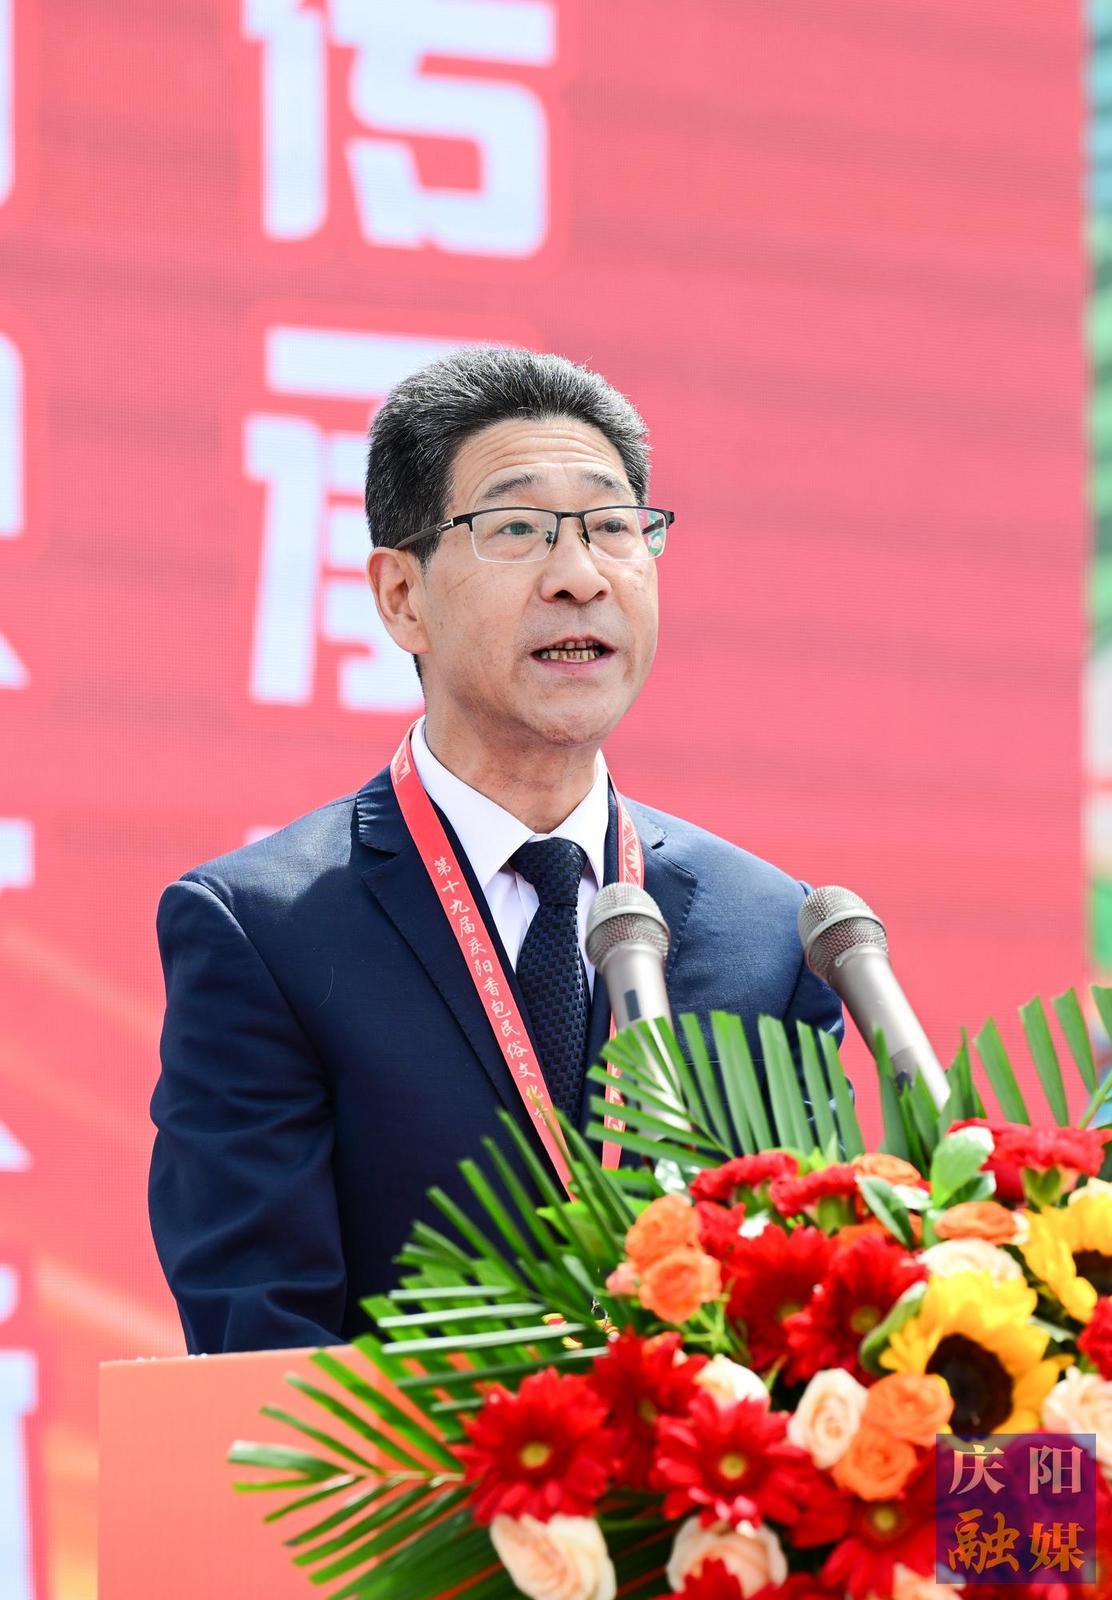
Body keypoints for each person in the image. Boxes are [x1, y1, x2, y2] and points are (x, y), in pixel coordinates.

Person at [148, 347, 842, 1354]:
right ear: (401, 596)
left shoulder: (770, 935)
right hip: (399, 1462)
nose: (579, 577)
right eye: (516, 529)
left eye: (613, 527)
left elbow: (810, 1315)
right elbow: (259, 1352)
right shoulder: (266, 932)